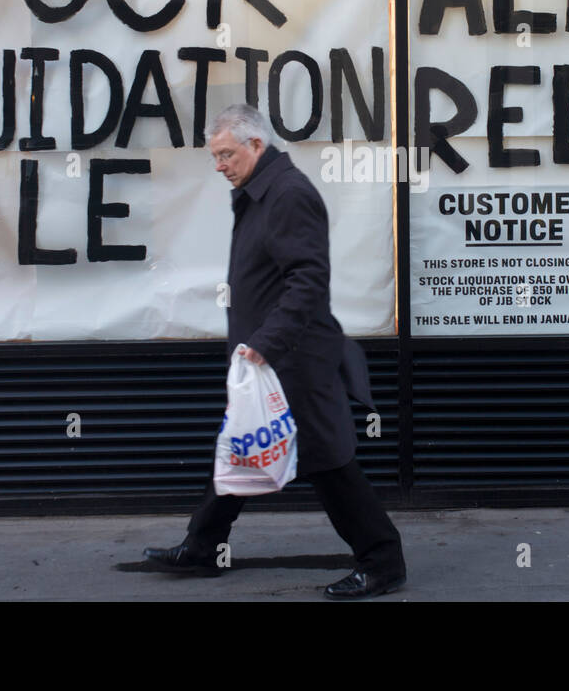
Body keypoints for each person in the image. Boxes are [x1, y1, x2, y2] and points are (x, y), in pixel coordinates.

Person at [144, 103, 406, 600]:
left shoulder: (286, 195)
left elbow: (307, 281)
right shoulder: (259, 193)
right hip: (268, 359)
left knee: (329, 463)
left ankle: (383, 561)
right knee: (240, 446)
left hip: (295, 361)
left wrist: (266, 343)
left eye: (226, 154)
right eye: (215, 156)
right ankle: (203, 547)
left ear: (256, 145)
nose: (219, 165)